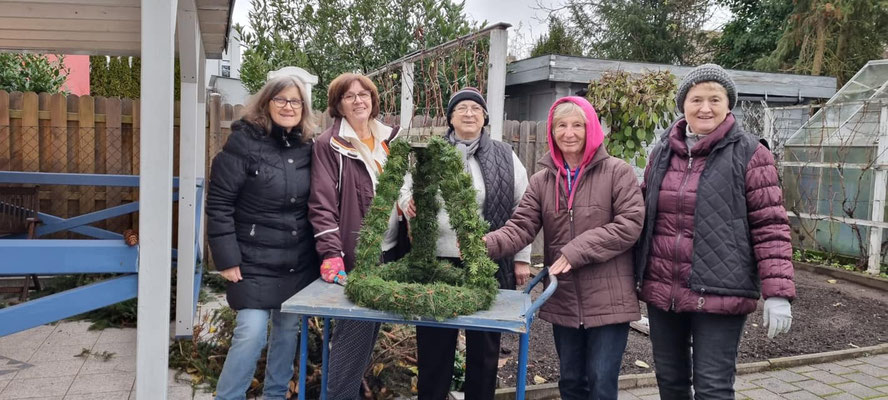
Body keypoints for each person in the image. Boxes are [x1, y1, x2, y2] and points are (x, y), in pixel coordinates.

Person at [635, 63, 796, 400]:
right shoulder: (662, 151)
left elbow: (770, 225)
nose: (705, 108)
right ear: (683, 105)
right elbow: (643, 216)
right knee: (670, 382)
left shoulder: (752, 153)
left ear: (728, 105)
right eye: (696, 99)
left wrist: (777, 291)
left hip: (722, 289)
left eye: (714, 99)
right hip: (665, 288)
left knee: (713, 387)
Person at [483, 96, 644, 400]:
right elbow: (521, 227)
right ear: (552, 131)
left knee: (601, 382)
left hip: (609, 299)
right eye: (561, 125)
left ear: (591, 129)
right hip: (564, 298)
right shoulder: (543, 180)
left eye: (577, 125)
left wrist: (575, 250)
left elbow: (630, 225)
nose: (568, 133)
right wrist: (486, 245)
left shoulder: (617, 172)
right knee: (570, 382)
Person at [398, 87, 532, 400]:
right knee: (434, 346)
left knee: (484, 349)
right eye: (462, 109)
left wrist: (521, 258)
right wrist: (407, 202)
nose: (469, 114)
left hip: (486, 262)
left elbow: (524, 209)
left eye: (475, 108)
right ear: (450, 117)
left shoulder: (504, 155)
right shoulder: (429, 153)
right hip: (435, 262)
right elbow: (404, 187)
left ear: (485, 117)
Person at [206, 75, 318, 400]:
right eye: (280, 100)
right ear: (266, 103)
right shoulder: (243, 143)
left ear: (303, 108)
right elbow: (220, 203)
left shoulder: (309, 146)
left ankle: (275, 394)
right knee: (251, 333)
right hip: (252, 262)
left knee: (287, 333)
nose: (288, 106)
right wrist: (227, 258)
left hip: (297, 262)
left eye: (295, 101)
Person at [308, 72, 403, 399]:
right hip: (357, 255)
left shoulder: (389, 139)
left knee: (369, 333)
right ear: (339, 104)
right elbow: (322, 204)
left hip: (390, 251)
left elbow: (401, 186)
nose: (359, 100)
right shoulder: (329, 145)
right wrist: (331, 253)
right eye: (350, 96)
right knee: (353, 340)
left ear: (374, 100)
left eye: (364, 94)